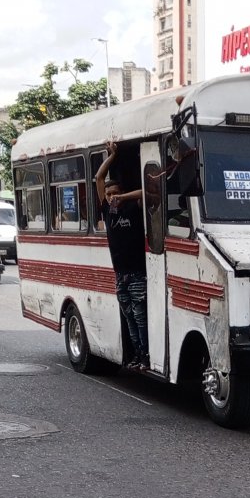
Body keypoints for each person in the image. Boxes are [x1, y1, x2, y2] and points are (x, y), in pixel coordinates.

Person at [95, 141, 149, 370]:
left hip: (137, 271)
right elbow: (98, 178)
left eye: (114, 193)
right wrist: (112, 156)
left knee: (140, 316)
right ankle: (137, 354)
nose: (111, 197)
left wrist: (124, 197)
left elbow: (148, 192)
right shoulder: (107, 211)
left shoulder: (131, 207)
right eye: (108, 194)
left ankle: (146, 356)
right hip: (120, 273)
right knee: (128, 316)